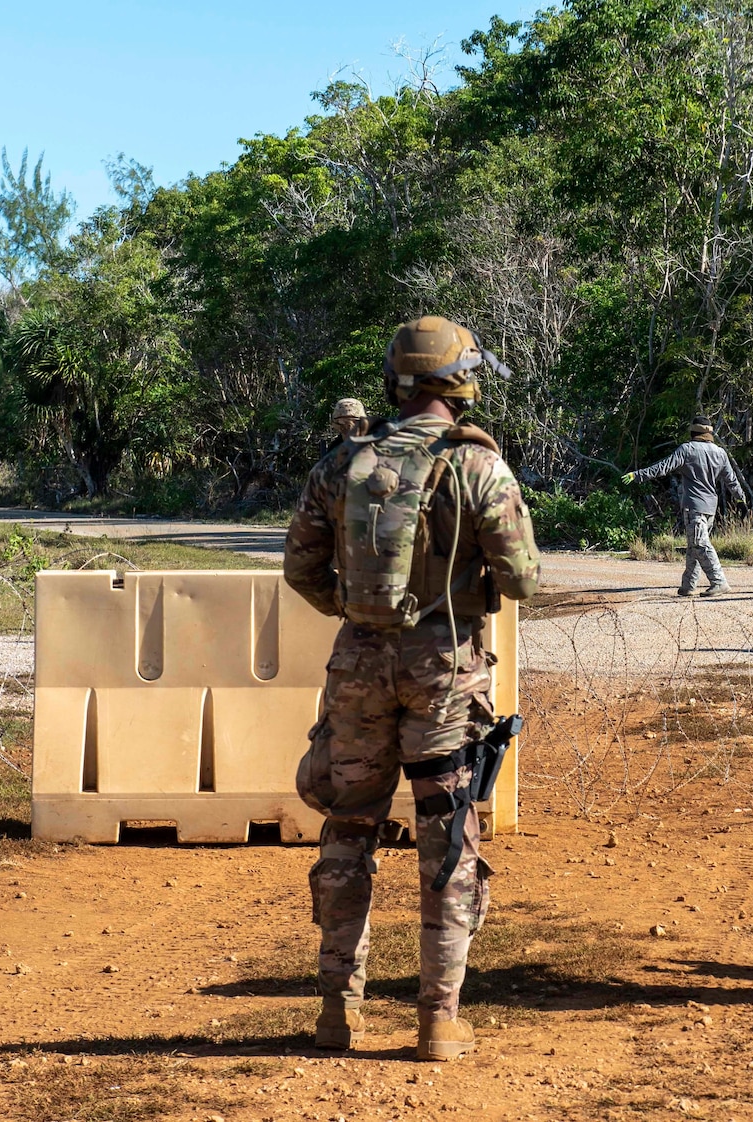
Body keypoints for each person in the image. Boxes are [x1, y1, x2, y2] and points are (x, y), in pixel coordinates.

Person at [283, 315, 541, 1061]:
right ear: (459, 380)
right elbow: (523, 577)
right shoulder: (478, 467)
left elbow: (301, 571)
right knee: (447, 837)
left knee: (349, 829)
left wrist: (361, 613)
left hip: (357, 671)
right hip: (443, 672)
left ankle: (337, 1012)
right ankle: (437, 1020)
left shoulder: (341, 465)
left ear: (397, 378)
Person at [621, 419, 748, 597]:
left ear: (693, 433)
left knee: (699, 544)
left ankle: (719, 581)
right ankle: (688, 584)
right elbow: (731, 480)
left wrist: (638, 475)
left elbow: (663, 467)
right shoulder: (720, 453)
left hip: (694, 505)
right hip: (711, 507)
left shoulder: (687, 449)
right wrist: (741, 499)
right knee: (693, 546)